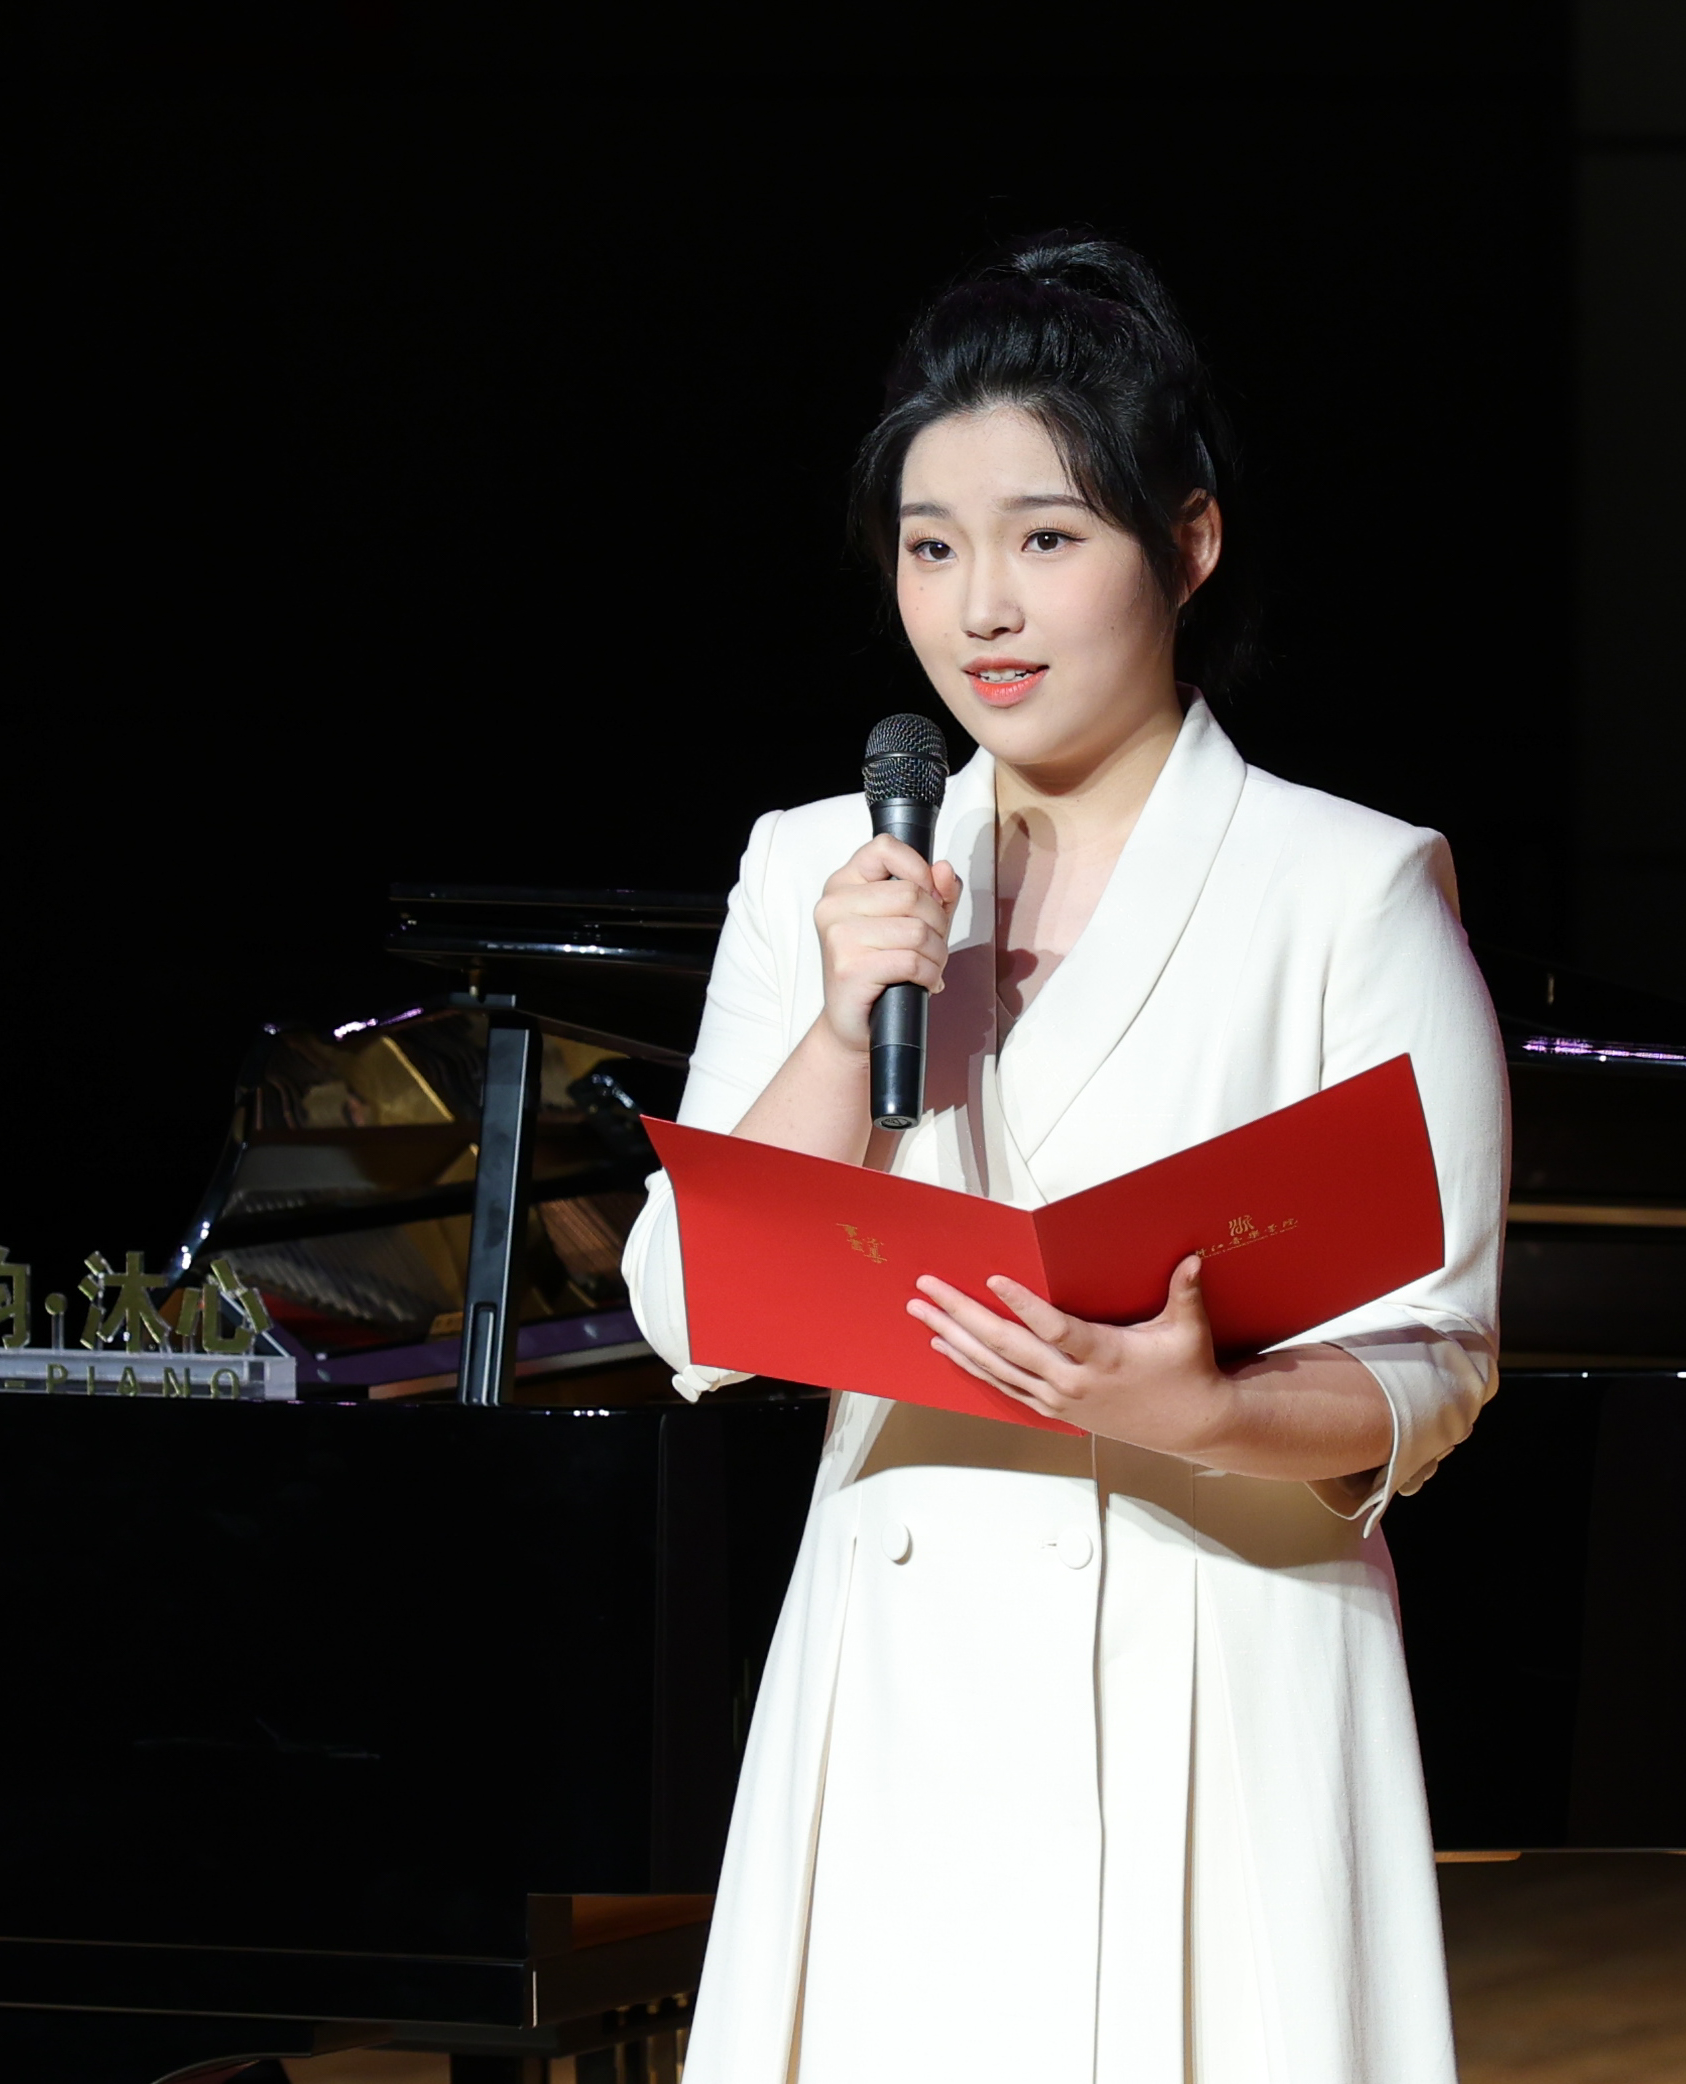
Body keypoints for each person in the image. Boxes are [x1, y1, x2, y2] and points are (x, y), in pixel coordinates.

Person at [619, 237, 1506, 2082]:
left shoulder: (1342, 885)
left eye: (1044, 535)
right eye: (930, 547)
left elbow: (1439, 1353)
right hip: (900, 1662)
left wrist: (1205, 1408)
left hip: (1217, 1648)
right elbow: (682, 1304)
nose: (981, 608)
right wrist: (838, 1025)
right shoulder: (817, 869)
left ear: (1187, 542)